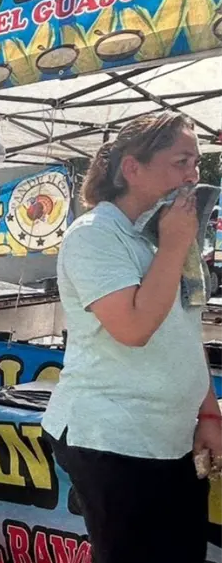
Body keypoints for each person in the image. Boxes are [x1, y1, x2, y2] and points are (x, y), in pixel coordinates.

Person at [41, 112, 217, 563]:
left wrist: (209, 415)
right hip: (114, 440)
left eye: (196, 163)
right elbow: (133, 328)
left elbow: (184, 327)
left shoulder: (162, 238)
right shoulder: (95, 235)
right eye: (181, 162)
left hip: (171, 438)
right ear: (132, 169)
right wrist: (177, 244)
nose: (193, 175)